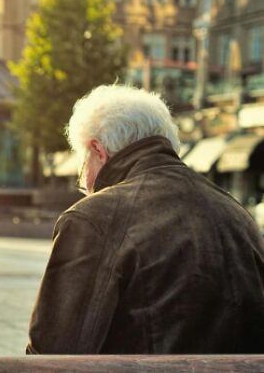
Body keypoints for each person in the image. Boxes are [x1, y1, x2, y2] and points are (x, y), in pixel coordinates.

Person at [27, 85, 264, 354]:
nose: (84, 183)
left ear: (98, 150)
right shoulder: (236, 214)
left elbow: (53, 353)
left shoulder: (93, 218)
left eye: (82, 166)